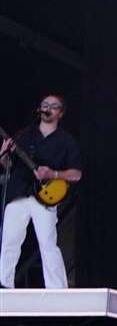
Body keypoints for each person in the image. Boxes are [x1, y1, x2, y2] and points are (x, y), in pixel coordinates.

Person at [0, 94, 83, 289]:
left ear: (60, 113)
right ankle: (4, 285)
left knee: (47, 243)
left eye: (53, 106)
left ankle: (57, 290)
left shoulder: (66, 141)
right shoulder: (24, 135)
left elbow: (77, 174)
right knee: (9, 241)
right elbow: (9, 165)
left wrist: (53, 173)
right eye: (45, 105)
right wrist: (2, 156)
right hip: (19, 194)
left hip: (45, 198)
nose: (47, 108)